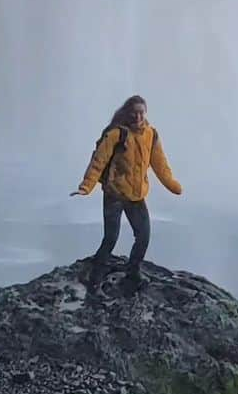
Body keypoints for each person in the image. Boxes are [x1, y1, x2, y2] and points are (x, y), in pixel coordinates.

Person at [71, 94, 182, 290]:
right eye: (134, 113)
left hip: (136, 197)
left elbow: (160, 164)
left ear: (145, 113)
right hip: (114, 195)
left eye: (141, 113)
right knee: (111, 238)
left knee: (143, 236)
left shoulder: (151, 135)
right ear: (127, 113)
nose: (138, 117)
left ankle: (133, 270)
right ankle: (96, 274)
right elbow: (98, 162)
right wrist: (86, 187)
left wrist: (172, 185)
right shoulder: (116, 135)